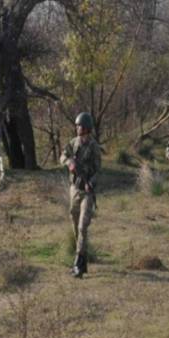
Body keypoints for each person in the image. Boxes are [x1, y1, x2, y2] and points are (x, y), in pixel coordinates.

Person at [60, 112, 102, 279]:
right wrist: (68, 162)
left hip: (87, 192)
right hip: (75, 189)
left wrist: (91, 182)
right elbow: (63, 155)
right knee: (74, 220)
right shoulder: (73, 143)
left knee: (83, 226)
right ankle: (82, 258)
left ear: (87, 129)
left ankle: (78, 262)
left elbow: (98, 170)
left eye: (81, 126)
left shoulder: (94, 147)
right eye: (77, 126)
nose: (78, 128)